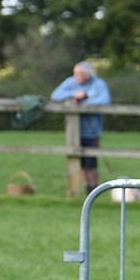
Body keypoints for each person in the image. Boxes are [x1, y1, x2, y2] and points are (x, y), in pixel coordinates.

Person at [51, 61, 111, 194]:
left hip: (92, 130)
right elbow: (55, 95)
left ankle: (95, 187)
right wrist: (73, 96)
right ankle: (86, 187)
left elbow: (105, 100)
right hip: (74, 131)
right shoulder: (70, 82)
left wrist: (84, 101)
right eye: (75, 73)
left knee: (91, 162)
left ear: (88, 74)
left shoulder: (99, 84)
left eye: (80, 74)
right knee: (80, 162)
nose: (77, 76)